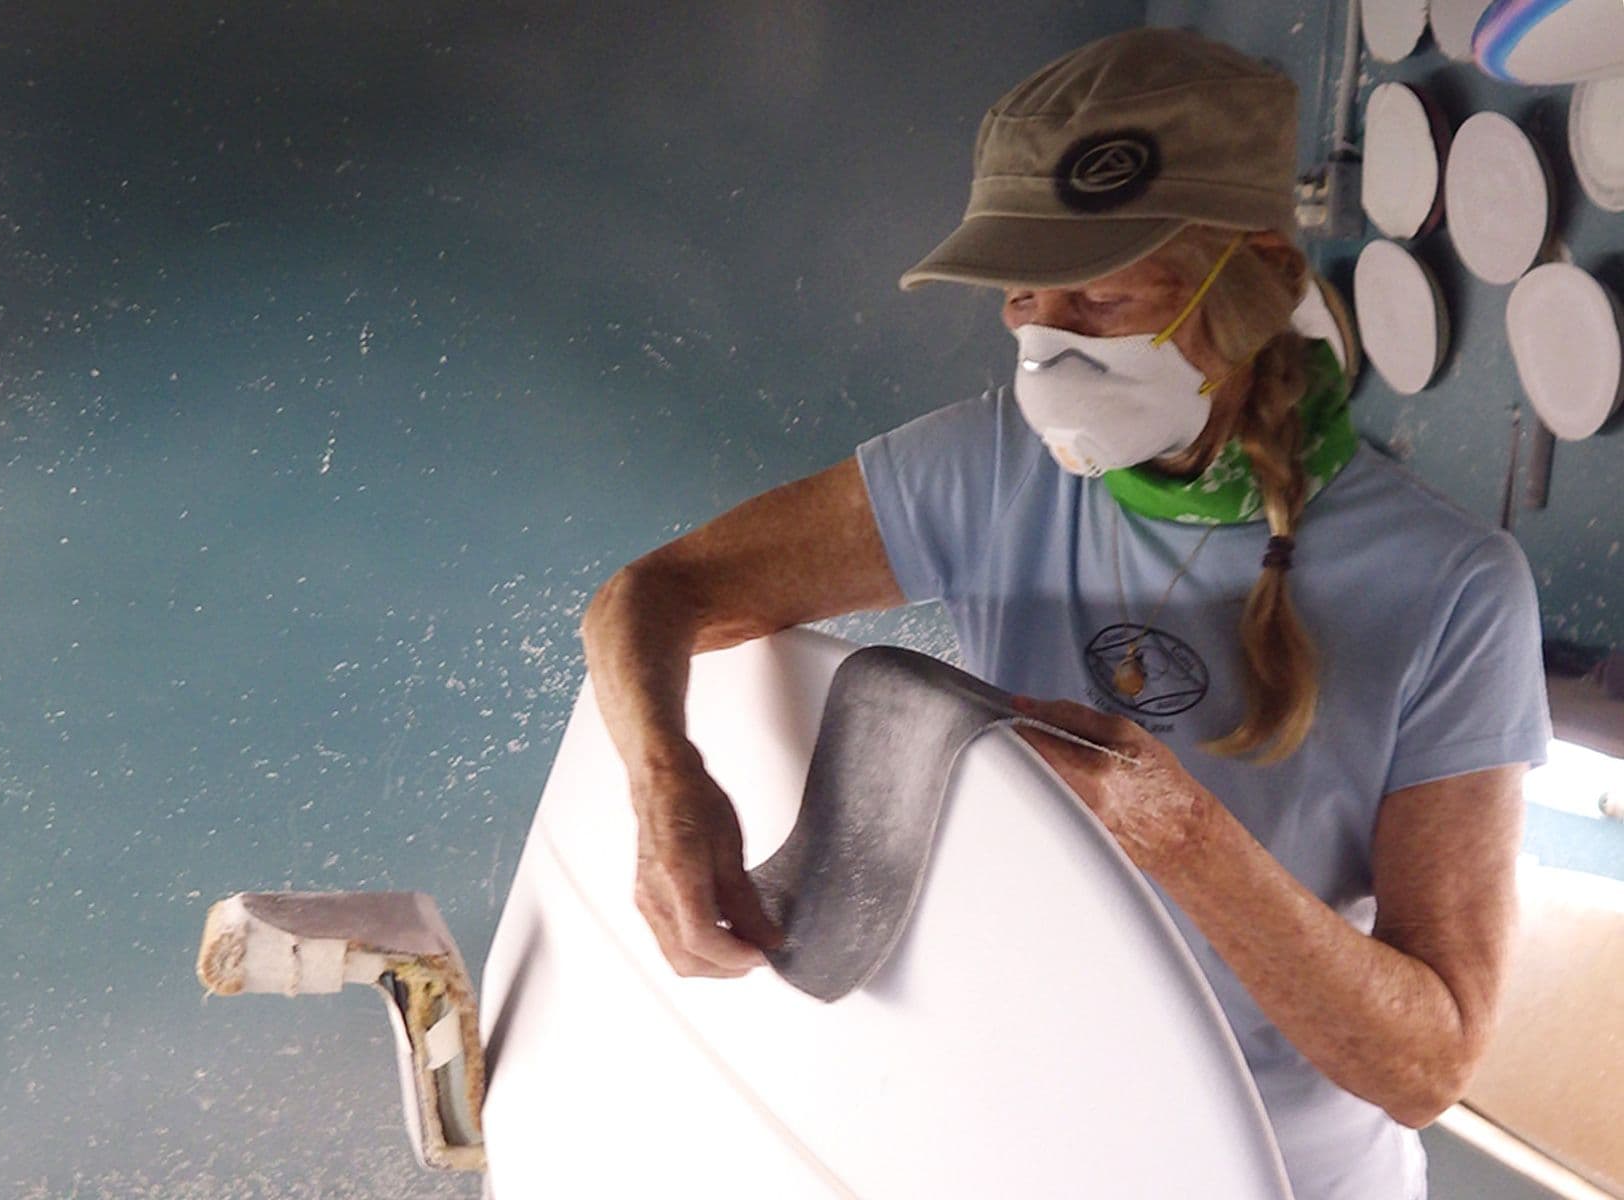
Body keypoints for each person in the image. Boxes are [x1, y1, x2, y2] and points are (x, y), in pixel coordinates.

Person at [577, 26, 1550, 1200]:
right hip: (1017, 1131)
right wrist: (665, 783)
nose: (1051, 343)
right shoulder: (991, 468)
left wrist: (1183, 841)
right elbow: (650, 597)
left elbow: (1428, 1067)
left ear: (1254, 276)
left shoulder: (1452, 584)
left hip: (1274, 1170)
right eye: (1024, 295)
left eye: (1099, 292)